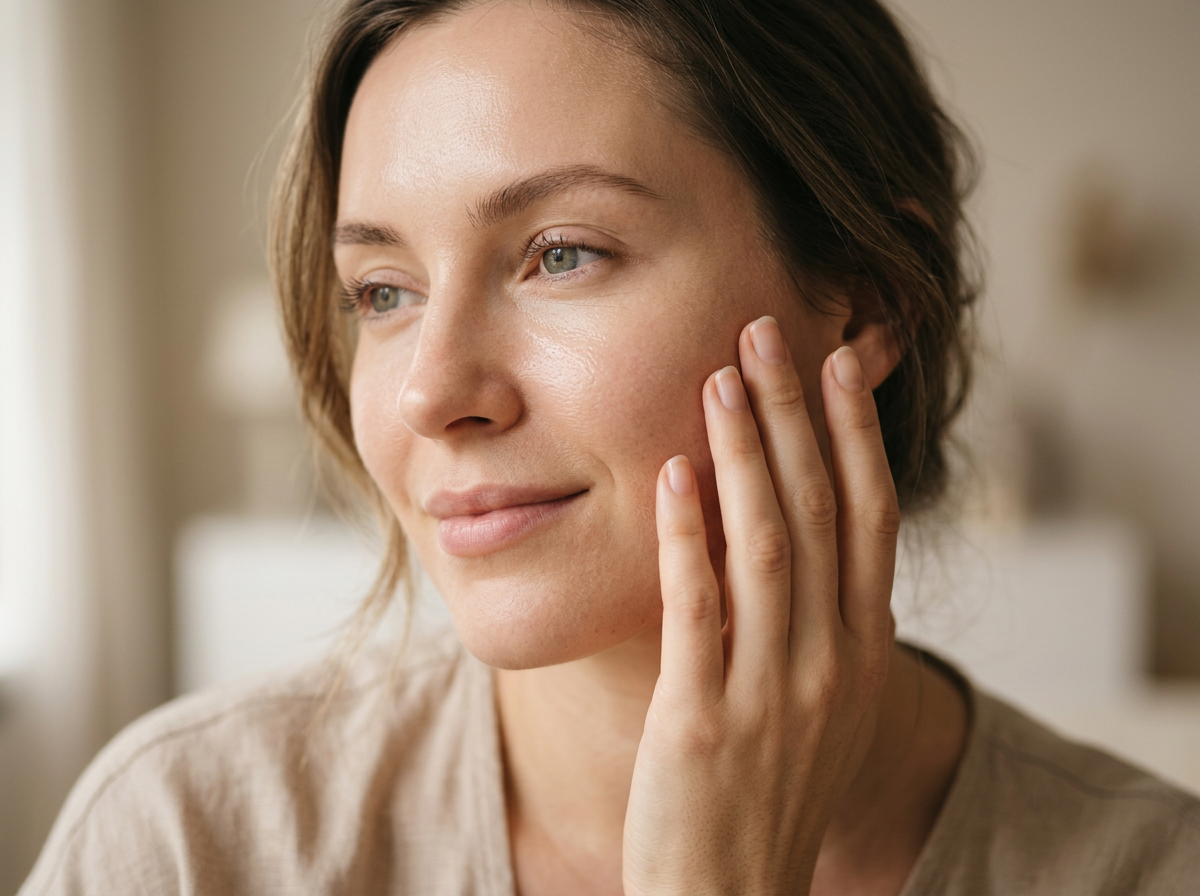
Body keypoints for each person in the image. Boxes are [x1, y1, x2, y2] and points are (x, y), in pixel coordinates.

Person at [20, 1, 1200, 893]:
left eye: (562, 254)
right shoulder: (187, 841)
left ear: (867, 299)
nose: (432, 390)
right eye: (383, 290)